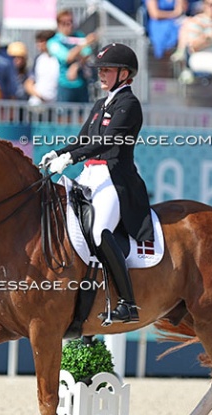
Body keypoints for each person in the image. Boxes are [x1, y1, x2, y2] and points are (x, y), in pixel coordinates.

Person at [39, 43, 154, 324]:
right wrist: (61, 152)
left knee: (101, 231)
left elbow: (106, 141)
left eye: (107, 70)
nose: (101, 74)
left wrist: (70, 159)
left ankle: (128, 303)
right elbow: (84, 139)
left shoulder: (129, 105)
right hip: (90, 175)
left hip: (113, 179)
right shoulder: (100, 104)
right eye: (100, 70)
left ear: (125, 74)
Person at [47, 9, 97, 103]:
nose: (69, 26)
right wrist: (84, 44)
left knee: (82, 116)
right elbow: (68, 57)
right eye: (64, 23)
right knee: (64, 116)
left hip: (82, 83)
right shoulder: (54, 41)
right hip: (65, 84)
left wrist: (76, 65)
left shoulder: (79, 36)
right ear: (58, 24)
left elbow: (86, 54)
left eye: (71, 22)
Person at [25, 30, 59, 107]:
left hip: (55, 105)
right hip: (37, 104)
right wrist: (39, 96)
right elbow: (29, 82)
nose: (39, 45)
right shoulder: (38, 59)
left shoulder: (58, 59)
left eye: (42, 41)